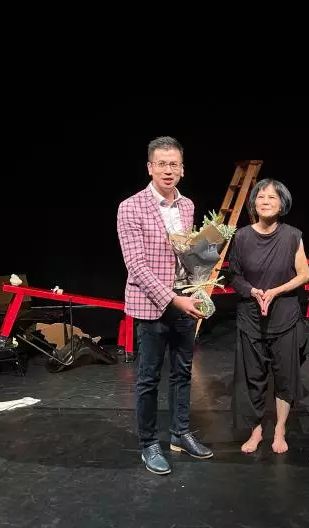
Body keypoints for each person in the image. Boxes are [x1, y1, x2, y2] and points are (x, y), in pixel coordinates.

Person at [117, 136, 213, 475]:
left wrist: (202, 274)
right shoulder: (131, 207)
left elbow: (187, 255)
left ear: (182, 169)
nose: (168, 170)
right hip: (153, 304)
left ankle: (180, 433)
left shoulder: (187, 206)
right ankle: (148, 443)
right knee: (148, 378)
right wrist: (174, 299)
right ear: (150, 168)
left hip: (185, 300)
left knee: (183, 372)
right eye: (161, 164)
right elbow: (137, 266)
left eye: (174, 164)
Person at [227, 178, 309, 454]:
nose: (265, 201)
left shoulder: (293, 236)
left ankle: (280, 429)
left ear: (282, 204)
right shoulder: (241, 237)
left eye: (272, 197)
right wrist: (252, 291)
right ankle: (256, 430)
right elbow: (234, 276)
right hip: (251, 316)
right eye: (261, 197)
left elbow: (304, 275)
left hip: (284, 315)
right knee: (253, 377)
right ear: (254, 202)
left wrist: (275, 291)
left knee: (285, 376)